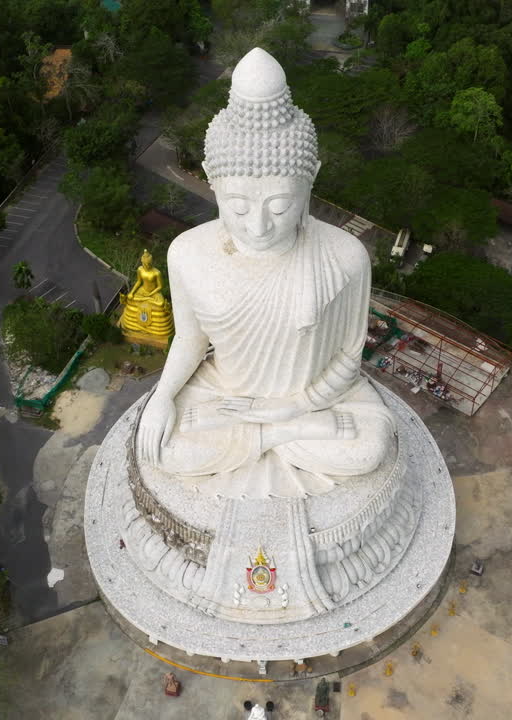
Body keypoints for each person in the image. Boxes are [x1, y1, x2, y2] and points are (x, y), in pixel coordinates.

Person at [135, 48, 393, 498]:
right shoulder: (188, 253)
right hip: (225, 390)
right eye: (238, 206)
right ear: (212, 179)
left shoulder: (344, 256)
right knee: (166, 448)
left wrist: (290, 409)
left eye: (278, 205)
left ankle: (270, 435)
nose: (258, 226)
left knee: (368, 449)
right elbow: (191, 340)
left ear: (309, 178)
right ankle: (276, 439)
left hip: (311, 399)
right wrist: (161, 398)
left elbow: (349, 358)